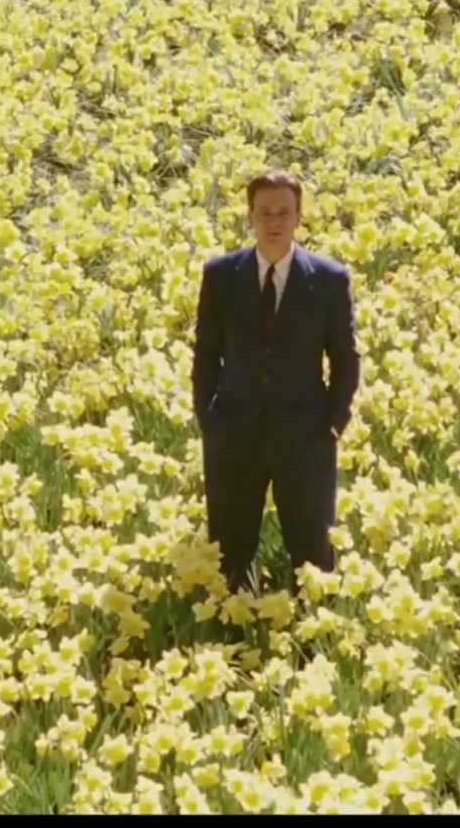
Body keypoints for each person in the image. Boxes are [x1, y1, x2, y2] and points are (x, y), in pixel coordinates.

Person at [192, 170, 360, 601]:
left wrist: (332, 425)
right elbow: (206, 353)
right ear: (249, 216)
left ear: (299, 216)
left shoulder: (329, 279)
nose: (274, 221)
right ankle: (228, 644)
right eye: (264, 212)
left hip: (305, 438)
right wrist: (209, 419)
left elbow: (345, 357)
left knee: (312, 557)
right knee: (229, 555)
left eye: (283, 212)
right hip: (233, 435)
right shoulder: (221, 275)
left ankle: (315, 644)